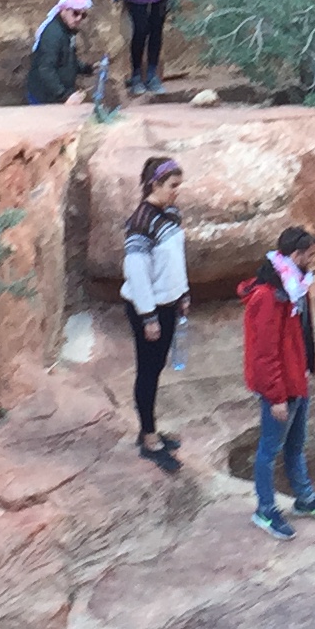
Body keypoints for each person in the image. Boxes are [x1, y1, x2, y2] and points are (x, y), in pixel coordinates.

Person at [239, 225, 315, 537]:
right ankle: (265, 509)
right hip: (281, 387)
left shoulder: (294, 287)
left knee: (295, 444)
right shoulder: (269, 297)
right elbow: (264, 353)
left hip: (297, 378)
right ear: (295, 256)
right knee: (269, 449)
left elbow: (302, 332)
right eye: (311, 254)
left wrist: (307, 366)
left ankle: (305, 498)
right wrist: (276, 396)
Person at [122, 155, 188, 470]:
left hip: (168, 303)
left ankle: (151, 428)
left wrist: (182, 293)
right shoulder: (140, 224)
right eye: (173, 186)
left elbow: (175, 259)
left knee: (156, 367)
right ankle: (149, 437)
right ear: (155, 184)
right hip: (148, 308)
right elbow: (136, 273)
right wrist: (148, 317)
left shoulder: (170, 215)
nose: (177, 191)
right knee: (147, 371)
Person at [23, 0, 95, 106]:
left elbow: (67, 59)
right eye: (75, 13)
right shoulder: (53, 34)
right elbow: (46, 69)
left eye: (83, 15)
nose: (79, 19)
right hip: (45, 98)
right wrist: (64, 96)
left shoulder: (66, 31)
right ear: (64, 10)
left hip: (55, 95)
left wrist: (86, 69)